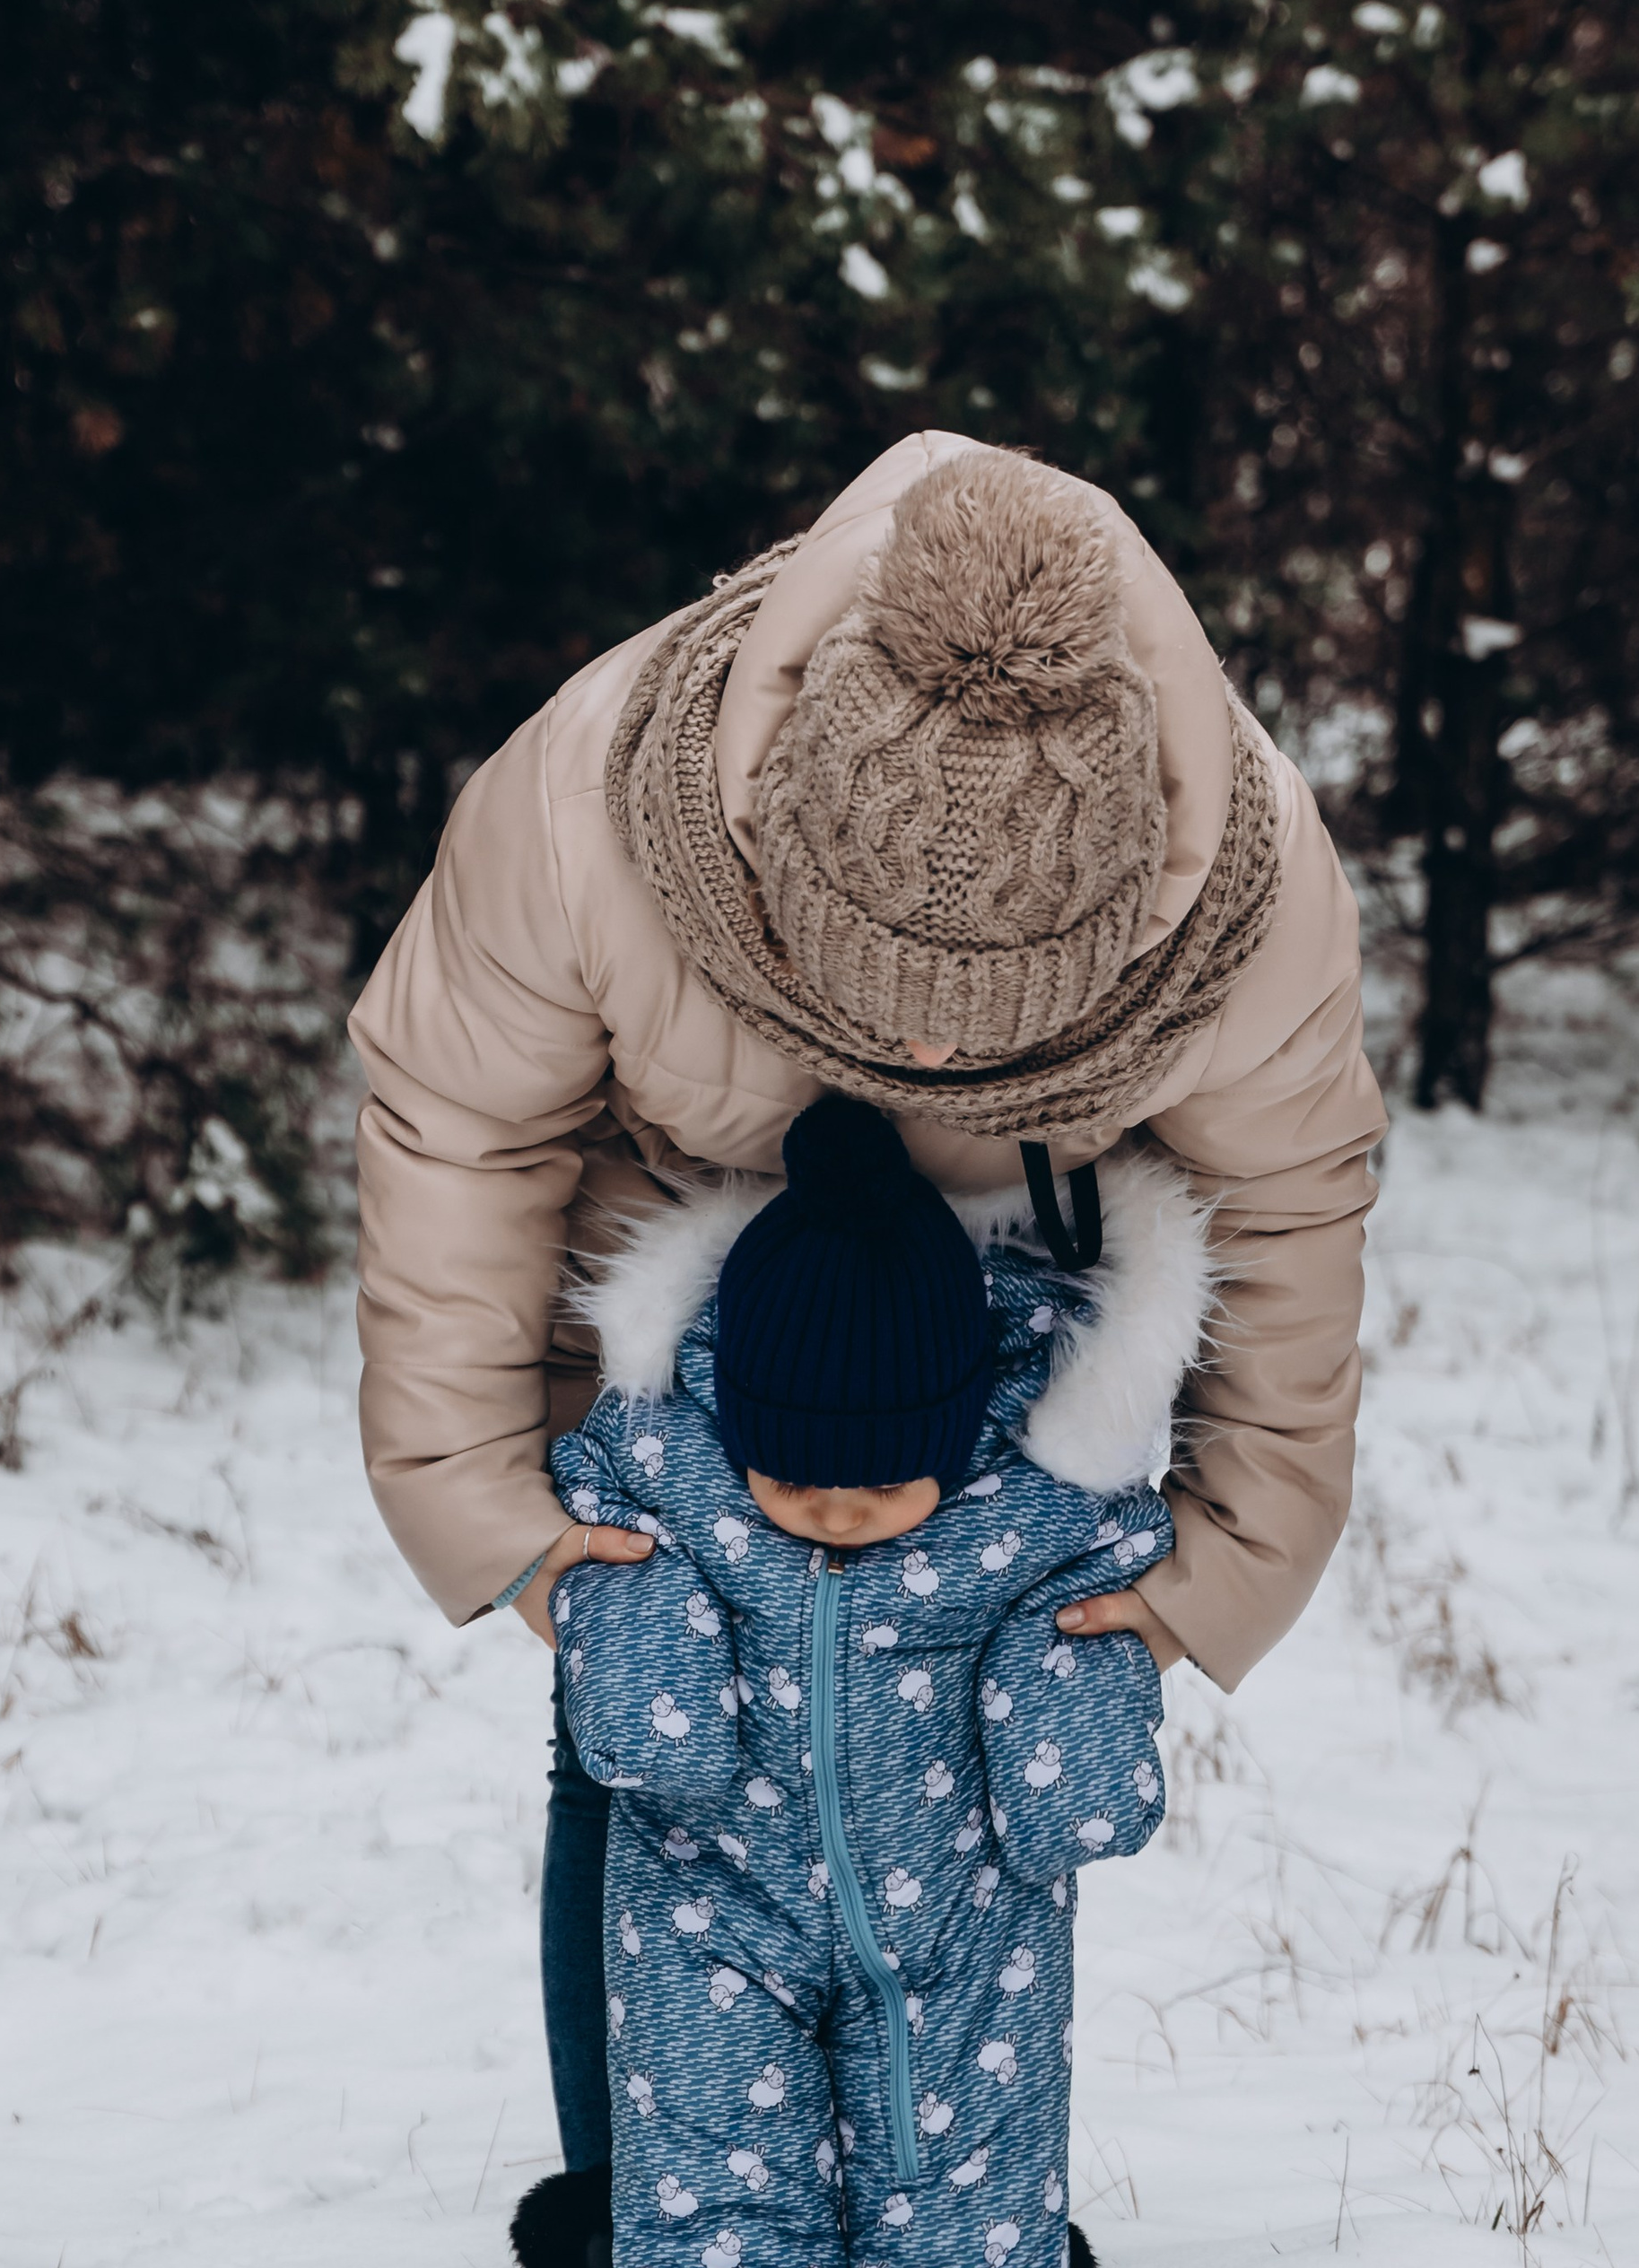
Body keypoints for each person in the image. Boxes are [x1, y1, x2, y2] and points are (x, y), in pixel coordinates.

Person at [348, 440, 1386, 2264]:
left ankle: (943, 2189)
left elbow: (1291, 1214)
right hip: (687, 1321)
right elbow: (455, 1123)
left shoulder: (1252, 880)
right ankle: (652, 2200)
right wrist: (497, 1517)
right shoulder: (592, 792)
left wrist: (1210, 1574)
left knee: (957, 1769)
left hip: (999, 1347)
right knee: (641, 1741)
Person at [549, 1094, 1201, 2268]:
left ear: (953, 1435)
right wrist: (645, 1642)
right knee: (710, 2192)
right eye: (794, 1482)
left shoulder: (1037, 1492)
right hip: (710, 1911)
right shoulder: (666, 1454)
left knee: (971, 2201)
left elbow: (1114, 1576)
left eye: (883, 1486)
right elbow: (593, 1522)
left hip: (965, 1926)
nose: (838, 1514)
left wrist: (1073, 1705)